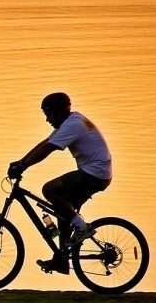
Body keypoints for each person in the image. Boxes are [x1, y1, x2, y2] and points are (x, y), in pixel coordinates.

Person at [7, 92, 112, 274]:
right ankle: (62, 260)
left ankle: (81, 227)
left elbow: (49, 149)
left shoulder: (72, 125)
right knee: (63, 213)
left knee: (49, 189)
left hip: (94, 173)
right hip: (98, 172)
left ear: (57, 112)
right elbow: (46, 142)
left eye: (48, 114)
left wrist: (24, 166)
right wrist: (21, 161)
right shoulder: (70, 122)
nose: (47, 119)